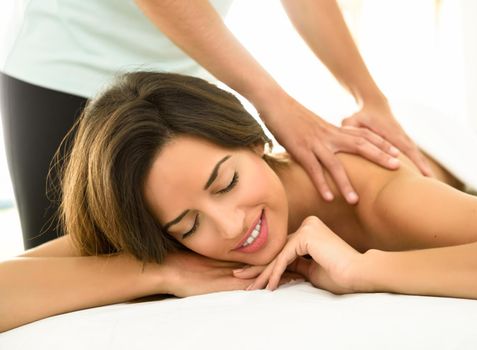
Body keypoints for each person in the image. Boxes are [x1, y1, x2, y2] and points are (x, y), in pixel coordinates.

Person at [1, 71, 477, 333]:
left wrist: (366, 269)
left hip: (435, 147)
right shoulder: (165, 214)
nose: (229, 228)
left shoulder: (371, 196)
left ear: (254, 139)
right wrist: (157, 274)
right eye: (188, 226)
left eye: (226, 183)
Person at [0, 0, 431, 250]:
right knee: (79, 284)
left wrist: (368, 96)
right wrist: (274, 103)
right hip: (63, 76)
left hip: (167, 81)